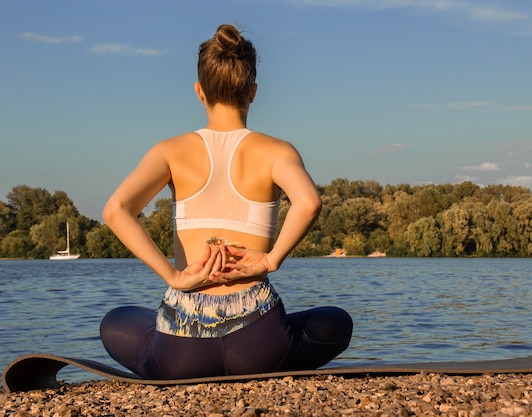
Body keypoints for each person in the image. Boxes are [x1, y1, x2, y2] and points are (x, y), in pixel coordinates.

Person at [99, 24, 352, 380]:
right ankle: (276, 360)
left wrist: (175, 277)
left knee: (116, 321)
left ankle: (162, 362)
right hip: (260, 341)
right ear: (253, 92)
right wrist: (269, 260)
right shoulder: (277, 151)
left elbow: (115, 210)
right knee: (336, 321)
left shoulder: (170, 151)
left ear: (200, 92)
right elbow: (308, 202)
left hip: (182, 348)